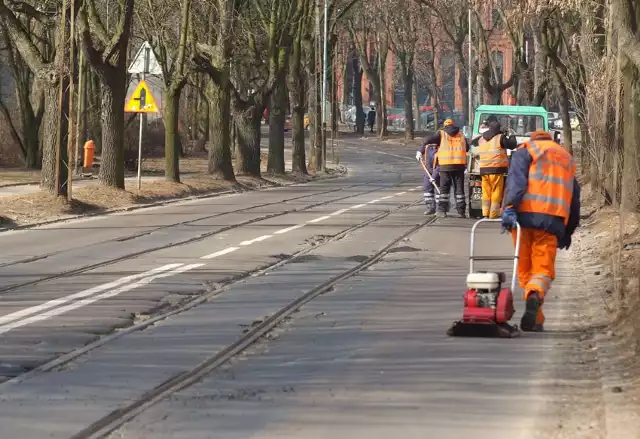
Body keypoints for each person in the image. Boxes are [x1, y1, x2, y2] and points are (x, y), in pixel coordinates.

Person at [501, 130, 581, 332]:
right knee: (542, 269)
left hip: (523, 217)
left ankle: (534, 306)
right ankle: (536, 313)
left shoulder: (526, 150)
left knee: (525, 267)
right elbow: (574, 197)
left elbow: (516, 183)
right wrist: (568, 230)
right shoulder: (566, 157)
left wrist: (509, 207)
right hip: (552, 220)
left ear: (533, 138)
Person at [476, 116, 518, 218]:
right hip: (496, 169)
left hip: (484, 169)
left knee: (486, 192)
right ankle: (493, 214)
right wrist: (512, 136)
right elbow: (512, 145)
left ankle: (485, 213)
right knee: (496, 191)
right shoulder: (500, 138)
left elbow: (474, 145)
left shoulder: (481, 138)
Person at [427, 119, 469, 217]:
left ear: (444, 126)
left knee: (444, 189)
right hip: (459, 166)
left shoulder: (441, 134)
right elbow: (467, 148)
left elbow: (428, 140)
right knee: (459, 190)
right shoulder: (461, 135)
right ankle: (461, 211)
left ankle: (442, 210)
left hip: (446, 166)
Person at [415, 140, 440, 215]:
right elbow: (423, 146)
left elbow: (441, 165)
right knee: (427, 188)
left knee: (440, 190)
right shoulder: (428, 146)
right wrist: (419, 152)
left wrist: (434, 177)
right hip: (428, 171)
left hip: (440, 172)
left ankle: (440, 209)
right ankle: (430, 207)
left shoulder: (442, 149)